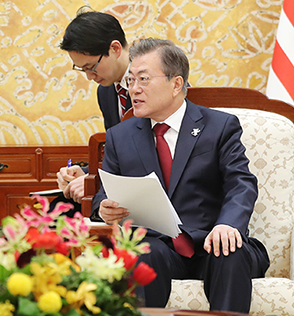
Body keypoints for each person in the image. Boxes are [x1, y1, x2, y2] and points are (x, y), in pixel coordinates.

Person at [91, 38, 270, 312]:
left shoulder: (219, 126)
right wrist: (104, 207)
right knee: (142, 251)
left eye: (143, 79)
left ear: (176, 84)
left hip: (213, 240)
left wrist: (229, 224)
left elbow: (241, 182)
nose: (134, 90)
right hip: (158, 246)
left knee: (230, 250)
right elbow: (105, 191)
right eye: (130, 81)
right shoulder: (121, 136)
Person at [51, 8, 132, 216]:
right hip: (123, 184)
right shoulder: (106, 92)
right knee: (59, 209)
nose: (89, 77)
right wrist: (87, 175)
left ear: (115, 48)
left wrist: (94, 182)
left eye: (91, 67)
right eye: (82, 69)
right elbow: (119, 157)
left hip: (153, 187)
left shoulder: (154, 85)